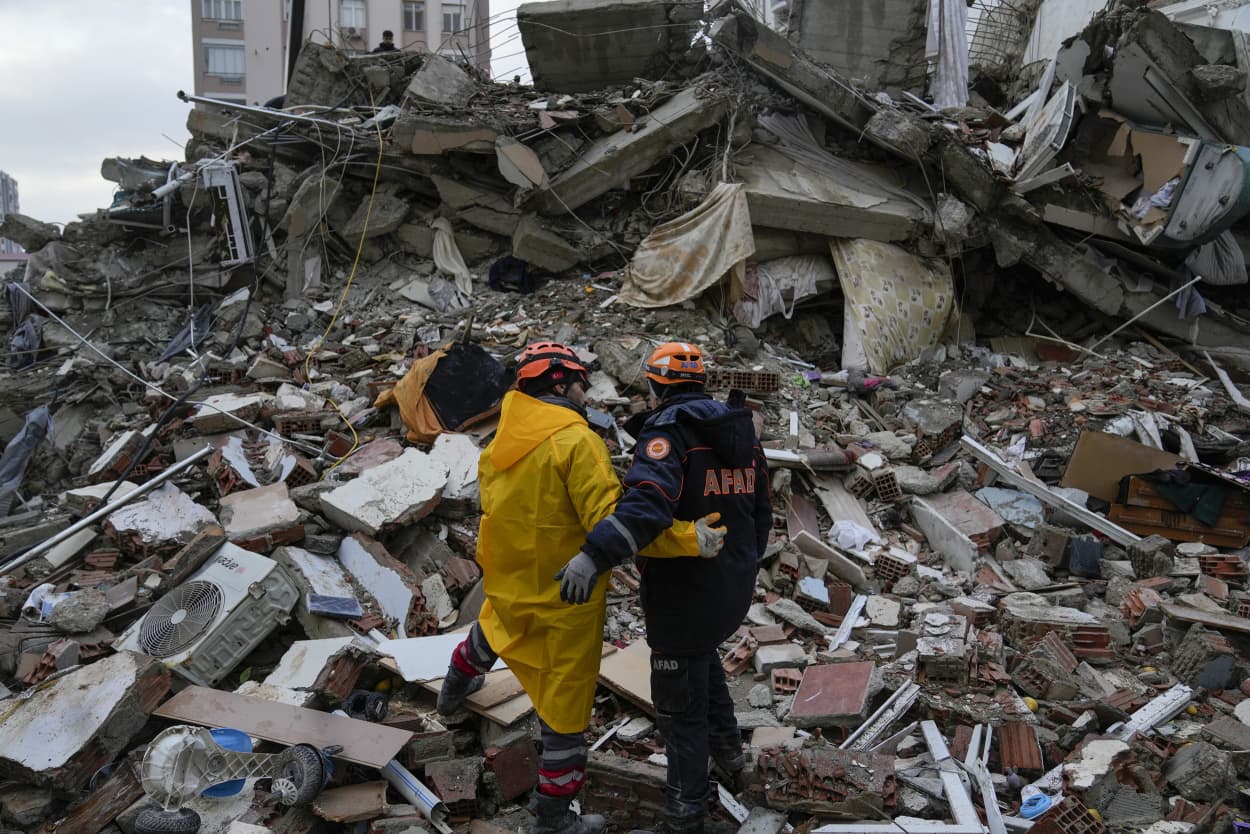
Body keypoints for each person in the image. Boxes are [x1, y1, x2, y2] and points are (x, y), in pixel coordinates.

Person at [437, 342, 726, 834]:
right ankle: (552, 819)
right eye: (579, 383)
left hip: (508, 586)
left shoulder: (502, 435)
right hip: (564, 601)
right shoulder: (577, 443)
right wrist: (689, 539)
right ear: (557, 383)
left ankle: (450, 700)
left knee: (486, 638)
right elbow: (615, 526)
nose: (585, 392)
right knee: (565, 717)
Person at [557, 341, 771, 834]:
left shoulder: (667, 434)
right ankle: (731, 762)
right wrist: (742, 567)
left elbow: (648, 509)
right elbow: (762, 512)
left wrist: (594, 555)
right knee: (703, 661)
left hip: (683, 594)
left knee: (678, 709)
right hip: (728, 588)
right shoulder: (739, 430)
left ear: (655, 386)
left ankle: (684, 815)